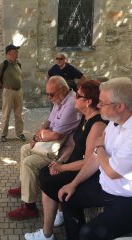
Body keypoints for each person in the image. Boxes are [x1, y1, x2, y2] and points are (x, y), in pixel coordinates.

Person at [24, 80, 108, 240]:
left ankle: (47, 233)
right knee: (46, 172)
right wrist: (60, 162)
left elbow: (88, 162)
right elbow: (73, 146)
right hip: (73, 165)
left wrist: (63, 168)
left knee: (48, 181)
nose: (74, 98)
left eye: (78, 95)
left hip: (85, 172)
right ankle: (52, 225)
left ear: (88, 102)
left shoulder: (97, 125)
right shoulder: (85, 117)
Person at [56, 77, 132, 240]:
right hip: (105, 187)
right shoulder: (113, 122)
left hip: (126, 198)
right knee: (66, 197)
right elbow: (96, 158)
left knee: (89, 233)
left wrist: (99, 147)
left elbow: (112, 171)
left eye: (102, 103)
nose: (98, 105)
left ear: (120, 106)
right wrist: (73, 184)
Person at [7, 76, 81, 221]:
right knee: (24, 149)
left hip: (61, 149)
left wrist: (40, 136)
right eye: (46, 94)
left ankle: (29, 207)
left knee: (29, 162)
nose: (48, 98)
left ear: (63, 89)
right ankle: (25, 186)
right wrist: (36, 136)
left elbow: (57, 135)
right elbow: (48, 121)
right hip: (50, 143)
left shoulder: (71, 103)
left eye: (51, 94)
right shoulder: (59, 99)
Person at [0, 44, 26, 142]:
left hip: (19, 91)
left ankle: (20, 133)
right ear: (9, 54)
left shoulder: (18, 64)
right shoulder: (4, 64)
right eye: (15, 51)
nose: (17, 53)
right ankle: (3, 135)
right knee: (6, 114)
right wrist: (4, 87)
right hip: (8, 91)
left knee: (18, 114)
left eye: (17, 51)